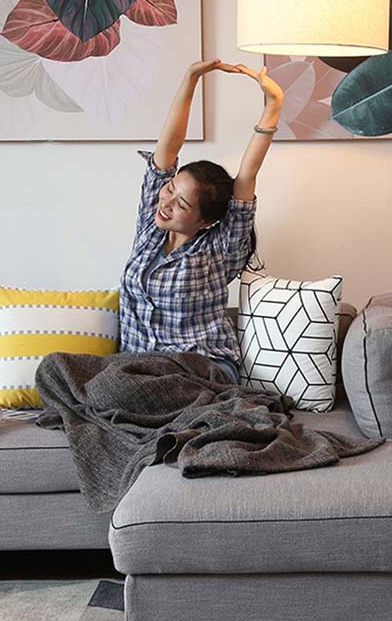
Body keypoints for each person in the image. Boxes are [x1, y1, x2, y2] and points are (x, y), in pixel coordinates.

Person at [118, 58, 284, 384]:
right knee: (57, 368)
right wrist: (191, 78)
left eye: (180, 204)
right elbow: (168, 148)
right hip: (138, 373)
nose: (165, 203)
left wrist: (274, 104)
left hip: (200, 369)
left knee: (134, 391)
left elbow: (248, 172)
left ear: (205, 221)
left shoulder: (220, 249)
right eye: (169, 190)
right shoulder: (150, 228)